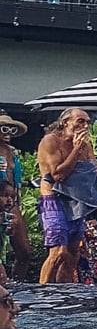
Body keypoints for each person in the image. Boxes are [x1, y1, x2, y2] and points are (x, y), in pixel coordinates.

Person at [37, 107, 97, 284]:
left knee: (73, 253)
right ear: (65, 122)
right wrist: (76, 149)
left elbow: (95, 172)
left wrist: (96, 207)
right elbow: (57, 176)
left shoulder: (85, 144)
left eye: (87, 122)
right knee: (58, 252)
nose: (85, 125)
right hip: (53, 199)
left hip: (76, 202)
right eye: (80, 121)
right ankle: (42, 294)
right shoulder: (50, 141)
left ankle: (63, 295)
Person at [0, 113, 31, 277]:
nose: (7, 134)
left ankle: (17, 285)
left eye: (10, 130)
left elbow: (14, 180)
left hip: (12, 203)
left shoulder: (13, 153)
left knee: (24, 252)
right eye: (3, 129)